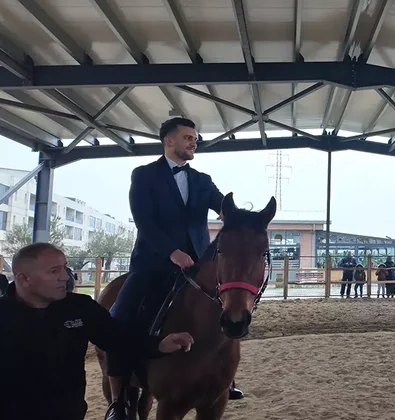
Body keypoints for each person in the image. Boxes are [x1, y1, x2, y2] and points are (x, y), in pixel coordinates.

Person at [106, 117, 242, 419]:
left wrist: (237, 216)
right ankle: (118, 398)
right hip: (152, 263)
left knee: (226, 311)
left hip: (196, 265)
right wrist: (171, 252)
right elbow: (145, 222)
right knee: (119, 317)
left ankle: (225, 380)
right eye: (188, 137)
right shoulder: (144, 176)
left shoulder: (202, 181)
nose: (194, 142)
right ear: (170, 141)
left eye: (195, 138)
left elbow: (222, 205)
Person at [0, 243, 194, 420]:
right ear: (24, 279)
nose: (66, 277)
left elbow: (117, 339)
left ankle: (119, 404)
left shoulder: (80, 308)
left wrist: (159, 344)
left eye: (65, 267)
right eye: (54, 271)